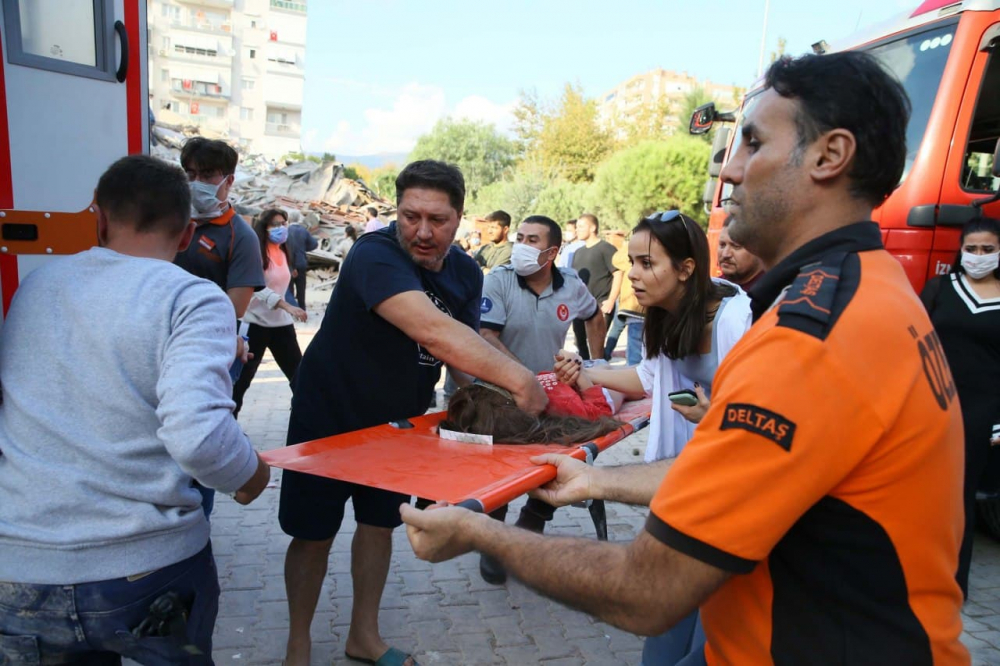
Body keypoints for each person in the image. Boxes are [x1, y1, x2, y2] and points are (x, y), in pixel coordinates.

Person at [400, 52, 968, 664]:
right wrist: (596, 479)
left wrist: (483, 533)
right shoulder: (870, 288)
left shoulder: (810, 340)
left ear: (830, 155)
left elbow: (646, 590)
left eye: (752, 143)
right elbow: (742, 474)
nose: (729, 171)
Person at [0, 155, 271, 664]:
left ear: (98, 218)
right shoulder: (193, 297)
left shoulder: (36, 286)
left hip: (21, 572)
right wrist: (251, 474)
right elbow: (199, 435)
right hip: (146, 575)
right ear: (187, 234)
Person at [278, 160, 547, 666]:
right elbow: (433, 331)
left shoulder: (467, 272)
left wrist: (492, 413)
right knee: (312, 534)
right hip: (328, 416)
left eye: (438, 220)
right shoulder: (373, 255)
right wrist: (519, 380)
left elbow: (460, 354)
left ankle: (364, 636)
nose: (422, 232)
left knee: (379, 526)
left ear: (460, 218)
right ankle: (298, 645)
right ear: (395, 213)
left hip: (397, 426)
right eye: (410, 216)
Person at [476, 214, 609, 583]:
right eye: (519, 236)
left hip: (554, 395)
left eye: (531, 239)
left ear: (551, 252)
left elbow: (594, 316)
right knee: (502, 472)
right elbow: (486, 336)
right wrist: (525, 379)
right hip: (500, 393)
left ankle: (531, 526)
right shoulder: (499, 281)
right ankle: (495, 543)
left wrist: (595, 364)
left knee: (553, 466)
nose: (520, 244)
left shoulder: (569, 285)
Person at [173, 137, 265, 517]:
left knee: (199, 444)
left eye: (207, 174)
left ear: (227, 181)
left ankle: (196, 524)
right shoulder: (170, 220)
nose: (196, 182)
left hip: (208, 353)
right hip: (157, 348)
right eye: (190, 173)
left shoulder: (238, 236)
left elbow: (233, 309)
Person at [921, 216, 1000, 600]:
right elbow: (913, 344)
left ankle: (952, 585)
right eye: (972, 249)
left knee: (960, 497)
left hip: (980, 413)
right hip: (930, 405)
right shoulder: (940, 289)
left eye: (988, 249)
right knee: (920, 490)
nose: (979, 256)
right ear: (960, 251)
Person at [232, 209, 308, 417]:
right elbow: (256, 288)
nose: (281, 228)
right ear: (264, 227)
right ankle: (228, 426)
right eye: (275, 224)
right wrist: (287, 306)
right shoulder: (255, 252)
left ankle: (307, 420)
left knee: (300, 378)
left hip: (281, 325)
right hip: (254, 324)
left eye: (283, 223)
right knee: (241, 382)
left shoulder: (284, 251)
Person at [442, 374, 622, 445]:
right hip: (598, 381)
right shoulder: (564, 405)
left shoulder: (526, 392)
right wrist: (582, 375)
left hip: (580, 374)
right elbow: (601, 409)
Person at [571, 213, 620, 360]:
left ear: (592, 227)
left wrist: (611, 300)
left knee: (597, 349)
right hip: (579, 306)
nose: (577, 230)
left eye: (581, 226)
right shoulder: (578, 252)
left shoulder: (606, 248)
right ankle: (586, 379)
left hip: (601, 304)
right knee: (581, 345)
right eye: (576, 227)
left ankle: (601, 377)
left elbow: (618, 274)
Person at [603, 238, 645, 364]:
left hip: (636, 308)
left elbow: (617, 260)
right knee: (616, 329)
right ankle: (605, 354)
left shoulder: (634, 251)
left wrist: (628, 244)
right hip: (628, 305)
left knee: (635, 357)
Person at [717, 215, 765, 291]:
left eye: (736, 246)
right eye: (722, 245)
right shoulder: (710, 291)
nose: (725, 254)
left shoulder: (772, 292)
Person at [285, 214, 318, 310]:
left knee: (289, 287)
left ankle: (292, 308)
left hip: (289, 264)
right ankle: (302, 308)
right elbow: (314, 244)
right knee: (301, 288)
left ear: (289, 220)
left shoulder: (286, 231)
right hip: (301, 263)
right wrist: (303, 249)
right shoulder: (304, 231)